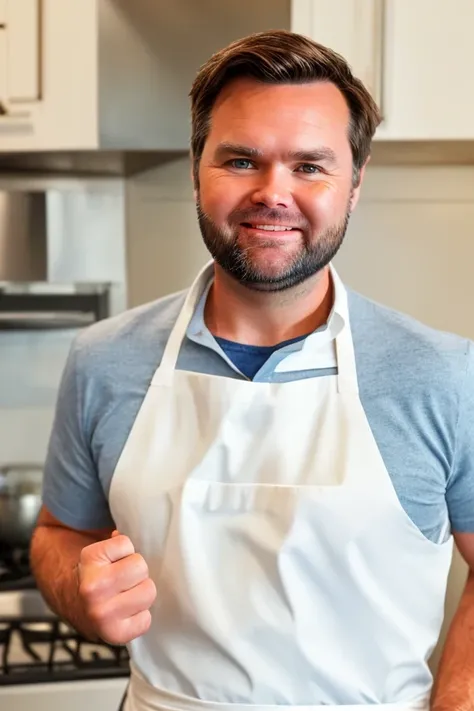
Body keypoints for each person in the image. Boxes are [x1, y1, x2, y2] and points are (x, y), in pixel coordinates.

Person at [30, 29, 474, 711]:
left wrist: (457, 696)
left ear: (354, 184)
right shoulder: (104, 359)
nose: (274, 192)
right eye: (241, 160)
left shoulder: (442, 373)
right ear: (195, 166)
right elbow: (62, 533)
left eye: (310, 165)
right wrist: (81, 592)